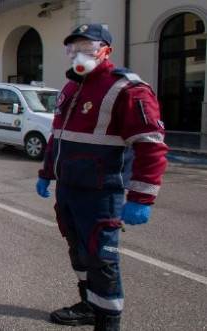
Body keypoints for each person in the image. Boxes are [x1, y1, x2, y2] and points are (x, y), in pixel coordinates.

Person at [35, 24, 168, 331]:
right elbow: (57, 136)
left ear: (106, 50)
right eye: (73, 49)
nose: (79, 55)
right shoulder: (71, 87)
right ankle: (88, 306)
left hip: (101, 194)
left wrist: (141, 198)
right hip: (69, 190)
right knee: (79, 253)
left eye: (88, 48)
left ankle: (107, 322)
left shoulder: (127, 88)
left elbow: (151, 146)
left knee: (101, 259)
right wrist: (46, 173)